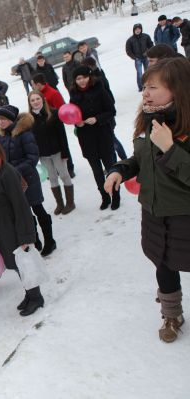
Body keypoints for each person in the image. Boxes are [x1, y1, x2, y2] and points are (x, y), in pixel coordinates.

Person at [104, 58, 190, 343]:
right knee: (164, 265)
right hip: (154, 212)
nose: (146, 93)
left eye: (153, 86)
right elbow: (141, 159)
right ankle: (171, 314)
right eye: (144, 86)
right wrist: (120, 170)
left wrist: (170, 148)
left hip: (184, 215)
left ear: (176, 90)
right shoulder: (147, 120)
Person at [0, 129, 45, 316]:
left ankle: (36, 297)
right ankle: (29, 293)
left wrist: (26, 236)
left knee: (23, 262)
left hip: (13, 226)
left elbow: (21, 206)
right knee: (15, 262)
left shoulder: (7, 173)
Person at [0, 105, 56, 257]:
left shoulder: (25, 134)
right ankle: (35, 240)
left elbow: (32, 158)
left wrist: (14, 171)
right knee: (25, 214)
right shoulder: (2, 137)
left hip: (28, 179)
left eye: (3, 119)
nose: (0, 122)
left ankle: (50, 240)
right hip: (13, 182)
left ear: (10, 119)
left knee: (38, 209)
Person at [69, 66, 118, 210]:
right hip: (86, 138)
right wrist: (77, 122)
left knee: (110, 167)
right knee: (96, 170)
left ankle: (115, 195)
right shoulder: (74, 94)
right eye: (78, 79)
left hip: (103, 134)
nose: (82, 81)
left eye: (84, 77)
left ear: (89, 77)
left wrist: (97, 118)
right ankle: (104, 197)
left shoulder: (99, 88)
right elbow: (72, 114)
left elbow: (111, 111)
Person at [28, 91, 75, 215]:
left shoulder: (53, 113)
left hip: (57, 151)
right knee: (52, 177)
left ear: (42, 99)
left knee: (64, 175)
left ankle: (70, 203)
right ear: (29, 103)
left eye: (37, 99)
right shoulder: (29, 119)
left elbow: (62, 136)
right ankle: (60, 203)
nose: (35, 102)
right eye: (32, 100)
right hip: (43, 154)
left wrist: (65, 153)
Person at [126, 23, 154, 92]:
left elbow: (151, 45)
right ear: (134, 30)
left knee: (148, 71)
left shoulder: (146, 36)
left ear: (141, 29)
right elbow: (128, 51)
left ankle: (149, 84)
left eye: (139, 29)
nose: (138, 30)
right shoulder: (130, 40)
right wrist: (134, 57)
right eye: (136, 29)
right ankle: (141, 87)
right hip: (138, 59)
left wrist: (149, 53)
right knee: (139, 73)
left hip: (146, 57)